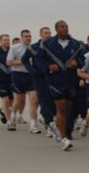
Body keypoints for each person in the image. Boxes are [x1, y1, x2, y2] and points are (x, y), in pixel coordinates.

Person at [35, 20, 86, 150]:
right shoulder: (47, 44)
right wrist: (49, 66)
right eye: (62, 27)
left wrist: (77, 62)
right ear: (56, 29)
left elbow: (82, 59)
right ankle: (64, 138)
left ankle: (58, 128)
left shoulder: (75, 44)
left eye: (66, 26)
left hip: (70, 79)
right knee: (61, 107)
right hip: (55, 79)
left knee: (68, 108)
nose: (65, 29)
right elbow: (39, 59)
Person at [21, 26, 56, 138]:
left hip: (52, 77)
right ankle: (50, 127)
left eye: (50, 33)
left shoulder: (54, 47)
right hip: (39, 78)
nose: (48, 35)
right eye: (46, 33)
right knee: (44, 101)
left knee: (53, 101)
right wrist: (32, 70)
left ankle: (45, 118)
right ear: (40, 35)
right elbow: (24, 59)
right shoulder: (33, 48)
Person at [7, 29, 41, 133]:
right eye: (26, 36)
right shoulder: (14, 48)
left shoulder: (34, 48)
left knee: (34, 100)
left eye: (30, 36)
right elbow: (9, 62)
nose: (28, 38)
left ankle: (33, 125)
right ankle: (12, 118)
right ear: (22, 37)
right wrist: (23, 61)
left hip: (31, 76)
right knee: (18, 100)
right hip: (18, 75)